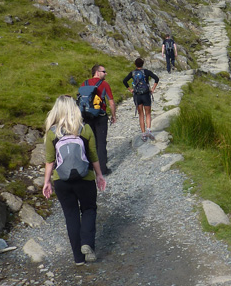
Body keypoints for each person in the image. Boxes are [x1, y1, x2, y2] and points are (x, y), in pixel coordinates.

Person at [42, 95, 107, 266]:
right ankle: (87, 243)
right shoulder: (84, 129)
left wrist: (47, 182)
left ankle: (78, 259)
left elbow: (50, 160)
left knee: (71, 216)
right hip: (85, 178)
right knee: (89, 209)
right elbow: (93, 156)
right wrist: (99, 175)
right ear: (74, 108)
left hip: (61, 180)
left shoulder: (52, 132)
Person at [83, 64, 116, 175]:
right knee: (101, 142)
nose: (105, 73)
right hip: (101, 116)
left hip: (87, 116)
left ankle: (90, 167)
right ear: (97, 72)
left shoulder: (84, 83)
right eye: (104, 71)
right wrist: (113, 115)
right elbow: (111, 101)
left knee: (90, 141)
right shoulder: (104, 84)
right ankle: (102, 169)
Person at [122, 57, 159, 141]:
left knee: (141, 114)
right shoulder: (146, 72)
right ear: (142, 64)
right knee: (148, 113)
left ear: (135, 64)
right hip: (146, 95)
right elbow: (156, 78)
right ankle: (148, 130)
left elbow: (124, 81)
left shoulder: (132, 73)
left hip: (137, 96)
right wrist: (153, 89)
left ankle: (143, 134)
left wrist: (130, 90)